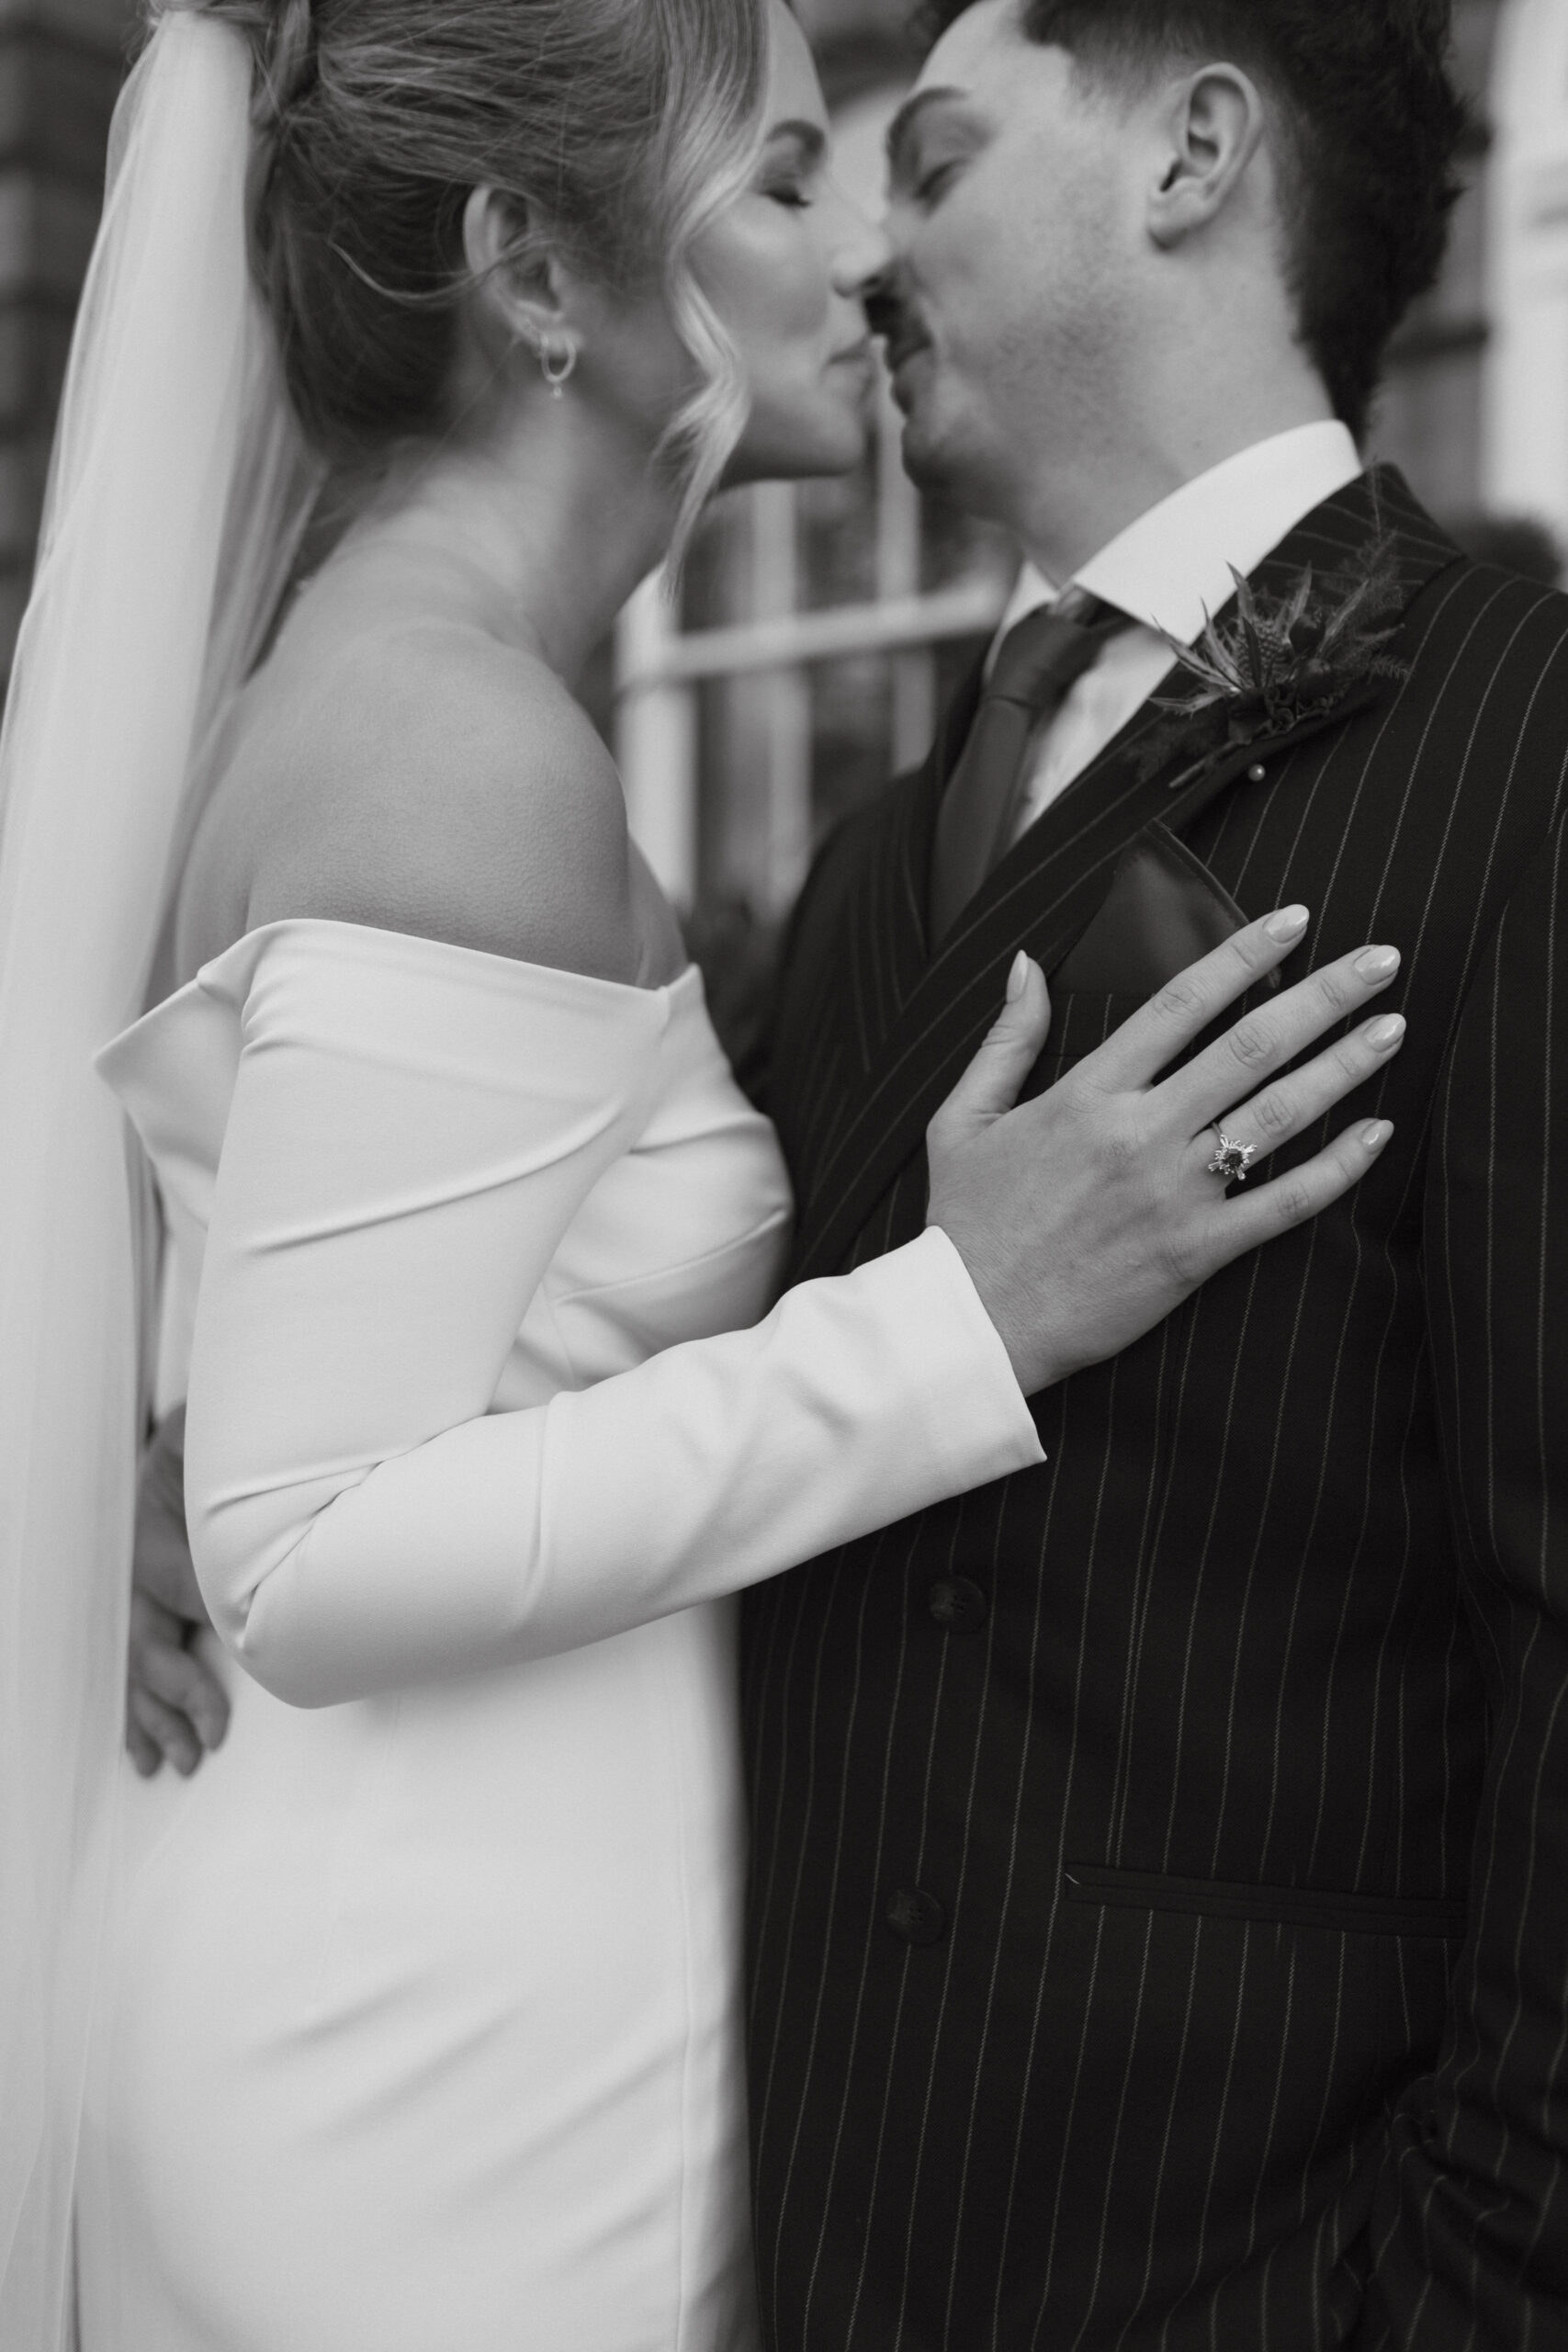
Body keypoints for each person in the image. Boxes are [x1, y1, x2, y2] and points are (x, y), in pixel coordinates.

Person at [0, 3, 1405, 2348]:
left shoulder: (396, 696)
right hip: (435, 2067)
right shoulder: (453, 749)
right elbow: (308, 1543)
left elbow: (308, 1380)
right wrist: (958, 1317)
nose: (849, 250)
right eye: (777, 178)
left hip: (404, 1973)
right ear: (535, 276)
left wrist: (153, 1450)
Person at [738, 2, 1568, 2346]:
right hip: (808, 2233)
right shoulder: (861, 870)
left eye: (934, 160)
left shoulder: (1523, 738)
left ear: (1192, 152)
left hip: (1258, 2262)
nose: (864, 260)